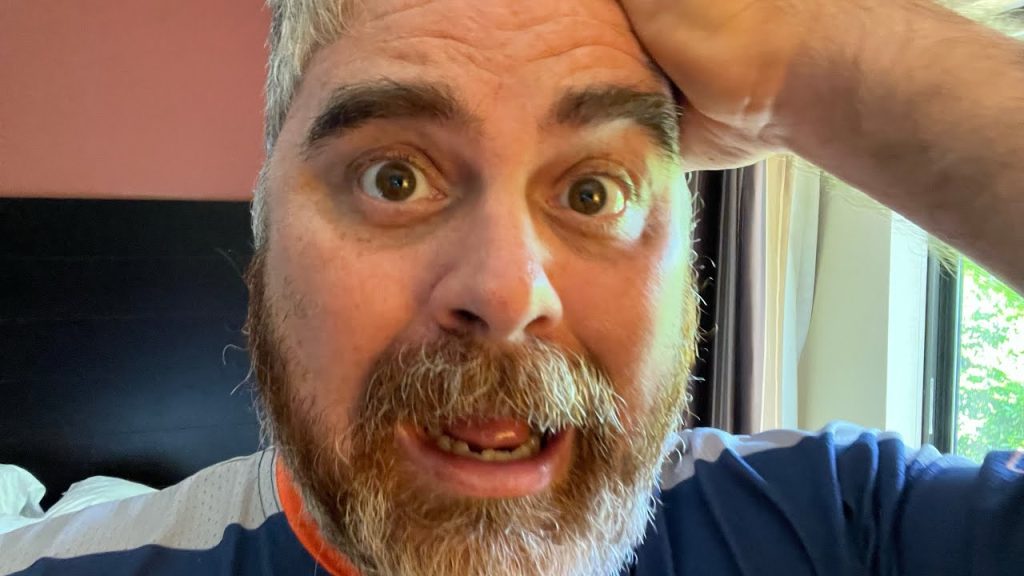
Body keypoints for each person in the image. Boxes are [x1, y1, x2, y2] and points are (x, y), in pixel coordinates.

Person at [2, 0, 1022, 574]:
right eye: (393, 179)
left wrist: (814, 66)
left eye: (592, 190)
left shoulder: (840, 527)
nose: (503, 291)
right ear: (263, 234)